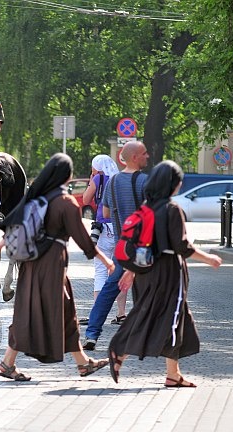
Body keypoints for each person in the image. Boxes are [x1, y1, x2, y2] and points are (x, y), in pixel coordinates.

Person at [0, 153, 114, 381]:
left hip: (30, 266)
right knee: (52, 312)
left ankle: (82, 363)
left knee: (40, 311)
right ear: (67, 175)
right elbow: (84, 239)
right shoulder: (65, 203)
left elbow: (16, 226)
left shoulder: (36, 198)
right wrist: (106, 261)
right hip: (52, 267)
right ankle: (8, 363)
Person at [108, 160, 222, 387]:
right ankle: (120, 350)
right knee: (168, 317)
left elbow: (141, 245)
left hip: (147, 271)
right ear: (173, 184)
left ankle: (173, 374)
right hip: (169, 272)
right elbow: (182, 247)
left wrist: (131, 271)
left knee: (166, 315)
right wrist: (209, 258)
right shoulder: (171, 209)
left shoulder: (145, 209)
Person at [83, 141, 149, 351]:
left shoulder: (112, 182)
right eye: (144, 153)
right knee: (149, 289)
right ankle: (146, 334)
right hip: (141, 246)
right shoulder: (145, 182)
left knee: (109, 289)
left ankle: (92, 333)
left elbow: (106, 213)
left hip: (122, 244)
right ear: (135, 157)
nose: (148, 156)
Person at [78, 154, 126, 326]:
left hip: (103, 228)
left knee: (100, 269)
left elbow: (85, 199)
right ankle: (121, 313)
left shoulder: (98, 177)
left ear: (96, 167)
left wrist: (92, 179)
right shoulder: (120, 178)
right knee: (119, 270)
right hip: (120, 227)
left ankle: (96, 314)